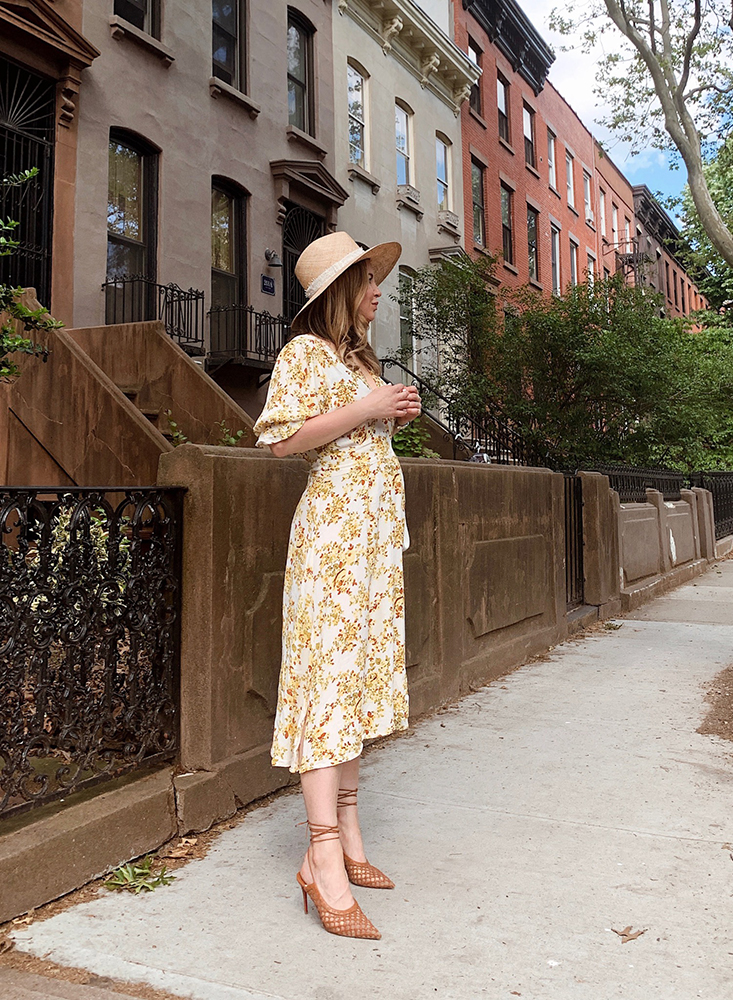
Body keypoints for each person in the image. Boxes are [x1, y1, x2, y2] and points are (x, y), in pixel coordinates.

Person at [254, 232, 422, 940]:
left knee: (352, 686)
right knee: (327, 685)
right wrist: (369, 409)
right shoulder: (303, 354)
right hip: (331, 544)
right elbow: (280, 440)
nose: (379, 290)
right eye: (369, 281)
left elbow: (359, 435)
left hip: (371, 544)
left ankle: (347, 836)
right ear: (339, 292)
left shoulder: (355, 360)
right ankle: (321, 857)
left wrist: (390, 412)